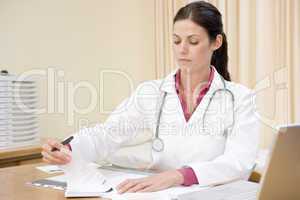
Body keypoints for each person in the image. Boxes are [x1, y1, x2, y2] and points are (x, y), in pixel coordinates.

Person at [41, 1, 260, 194]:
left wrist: (179, 175)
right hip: (162, 194)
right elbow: (109, 133)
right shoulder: (151, 92)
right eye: (176, 41)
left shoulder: (240, 98)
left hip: (213, 194)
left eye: (193, 42)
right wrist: (68, 149)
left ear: (216, 42)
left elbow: (239, 163)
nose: (182, 50)